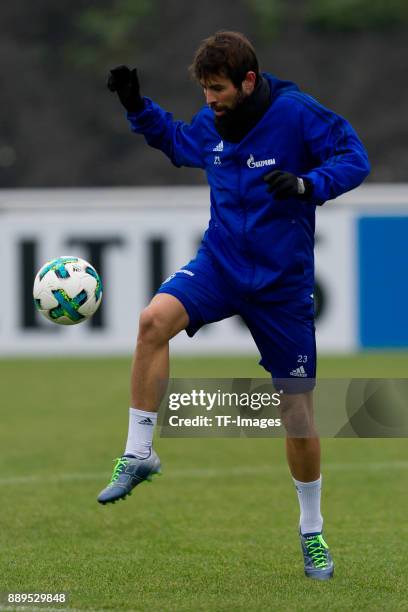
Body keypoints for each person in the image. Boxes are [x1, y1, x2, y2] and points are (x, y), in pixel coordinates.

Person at [97, 31, 370, 580]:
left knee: (297, 414)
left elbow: (354, 157)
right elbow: (177, 143)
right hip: (220, 266)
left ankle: (311, 531)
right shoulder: (210, 123)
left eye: (218, 89)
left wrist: (306, 184)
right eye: (203, 89)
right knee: (153, 322)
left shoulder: (294, 113)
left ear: (248, 81)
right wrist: (136, 107)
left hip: (281, 286)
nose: (210, 99)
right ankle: (139, 452)